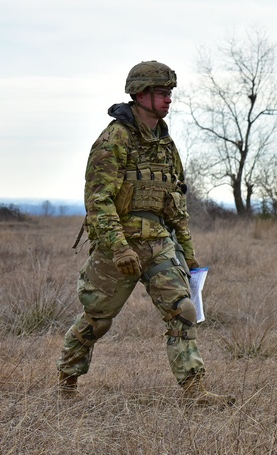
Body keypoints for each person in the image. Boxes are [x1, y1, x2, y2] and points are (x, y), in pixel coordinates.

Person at [56, 60, 232, 406]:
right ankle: (67, 380)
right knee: (97, 319)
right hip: (117, 245)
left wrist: (187, 250)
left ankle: (196, 392)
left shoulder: (166, 144)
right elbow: (98, 200)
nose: (169, 100)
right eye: (162, 93)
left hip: (158, 241)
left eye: (170, 93)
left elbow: (175, 203)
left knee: (183, 310)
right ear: (140, 94)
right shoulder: (114, 138)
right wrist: (119, 248)